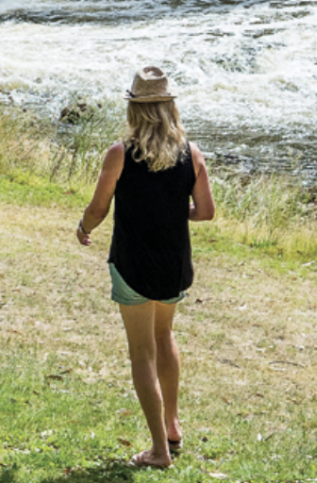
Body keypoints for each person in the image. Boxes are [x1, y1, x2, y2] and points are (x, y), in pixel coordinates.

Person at [77, 66, 215, 470]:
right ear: (170, 107)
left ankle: (158, 450)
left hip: (133, 263)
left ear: (135, 109)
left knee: (142, 351)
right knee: (164, 335)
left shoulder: (120, 153)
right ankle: (172, 426)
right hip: (174, 263)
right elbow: (205, 212)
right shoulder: (191, 152)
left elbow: (99, 207)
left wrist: (84, 228)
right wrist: (174, 212)